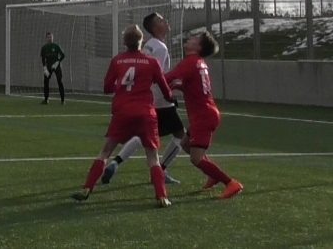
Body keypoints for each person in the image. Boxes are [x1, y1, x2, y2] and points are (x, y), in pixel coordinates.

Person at [71, 25, 174, 207]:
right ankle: (161, 196)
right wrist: (171, 96)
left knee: (105, 151)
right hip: (145, 113)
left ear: (125, 42)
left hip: (122, 111)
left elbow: (107, 87)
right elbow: (166, 91)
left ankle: (87, 188)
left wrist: (121, 87)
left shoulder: (117, 60)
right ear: (141, 41)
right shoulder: (152, 62)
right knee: (153, 157)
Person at [102, 12, 185, 185]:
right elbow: (157, 76)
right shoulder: (161, 48)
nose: (166, 21)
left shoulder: (149, 45)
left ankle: (115, 163)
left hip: (145, 99)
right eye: (161, 20)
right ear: (155, 27)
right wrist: (171, 90)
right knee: (180, 134)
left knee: (143, 135)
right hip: (159, 100)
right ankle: (161, 170)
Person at [164, 31, 243, 200]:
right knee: (185, 144)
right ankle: (213, 175)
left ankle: (231, 183)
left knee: (196, 158)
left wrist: (148, 75)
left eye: (195, 39)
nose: (190, 38)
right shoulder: (199, 63)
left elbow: (168, 77)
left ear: (199, 47)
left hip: (204, 117)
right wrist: (180, 86)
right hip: (204, 114)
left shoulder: (191, 61)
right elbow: (197, 88)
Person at [40, 32, 66, 105]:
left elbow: (63, 55)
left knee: (59, 81)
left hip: (56, 66)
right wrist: (44, 67)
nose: (50, 38)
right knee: (46, 82)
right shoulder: (44, 48)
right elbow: (43, 58)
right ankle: (46, 99)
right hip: (48, 66)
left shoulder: (56, 46)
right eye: (48, 37)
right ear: (46, 38)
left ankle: (63, 99)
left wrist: (57, 62)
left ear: (53, 38)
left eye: (51, 37)